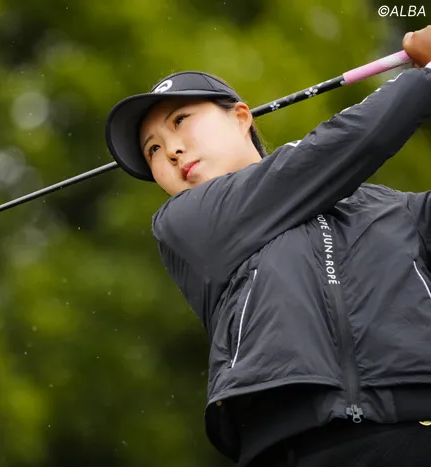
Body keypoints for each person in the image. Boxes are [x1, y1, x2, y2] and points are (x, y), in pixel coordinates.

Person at [104, 27, 431, 467]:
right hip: (291, 446)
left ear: (242, 117)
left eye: (180, 121)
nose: (173, 150)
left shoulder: (397, 210)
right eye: (153, 150)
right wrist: (423, 79)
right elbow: (338, 149)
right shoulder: (186, 223)